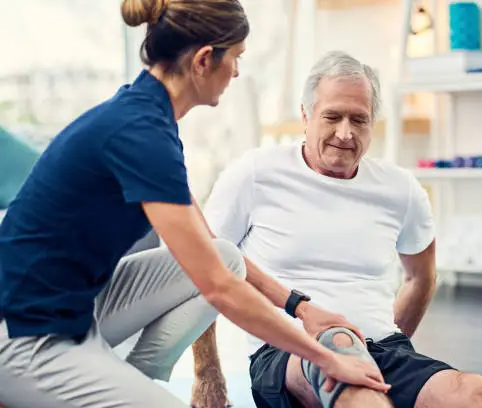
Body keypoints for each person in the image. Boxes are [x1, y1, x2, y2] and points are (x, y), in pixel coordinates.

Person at [0, 1, 391, 406]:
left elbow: (209, 247)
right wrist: (326, 359)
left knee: (225, 255)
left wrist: (299, 306)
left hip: (76, 308)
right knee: (219, 273)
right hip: (24, 331)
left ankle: (134, 382)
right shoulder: (141, 135)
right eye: (235, 58)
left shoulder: (147, 116)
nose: (236, 72)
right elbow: (218, 288)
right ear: (205, 60)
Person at [196, 50, 482, 408]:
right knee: (353, 382)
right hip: (286, 354)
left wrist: (383, 342)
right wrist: (207, 372)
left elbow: (420, 278)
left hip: (382, 347)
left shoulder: (401, 189)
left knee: (474, 393)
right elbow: (202, 263)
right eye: (332, 117)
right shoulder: (254, 174)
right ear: (306, 115)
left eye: (359, 120)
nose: (345, 133)